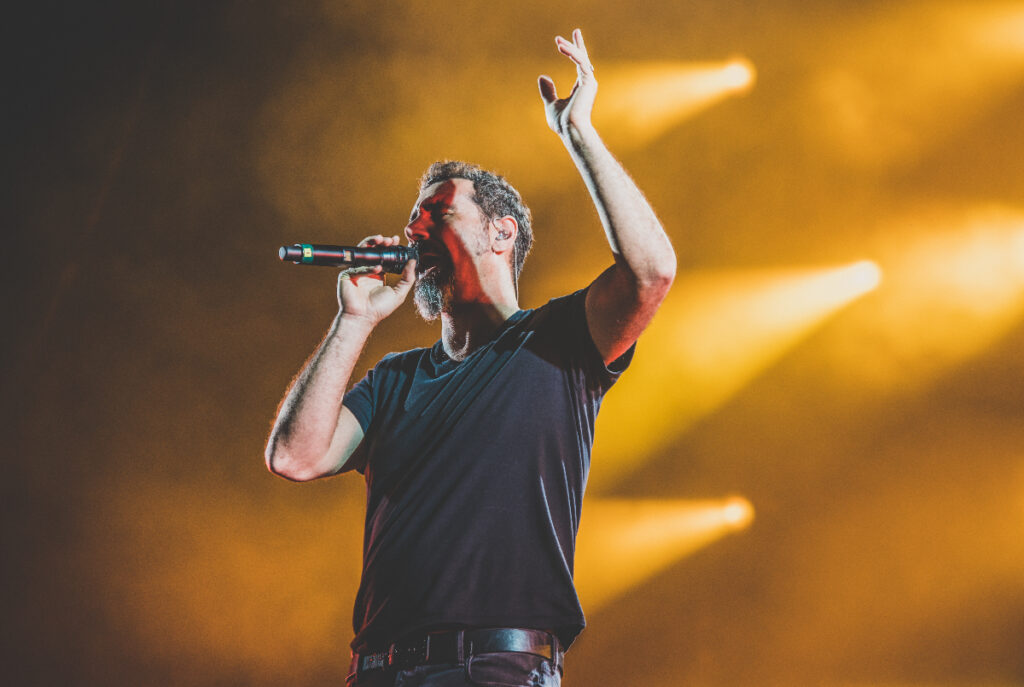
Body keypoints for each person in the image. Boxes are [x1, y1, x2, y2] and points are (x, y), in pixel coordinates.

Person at [265, 29, 676, 687]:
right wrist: (355, 319)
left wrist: (579, 134)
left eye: (436, 211)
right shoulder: (395, 379)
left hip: (495, 667)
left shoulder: (557, 340)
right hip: (379, 670)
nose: (414, 230)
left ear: (500, 231)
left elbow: (652, 272)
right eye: (412, 220)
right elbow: (295, 455)